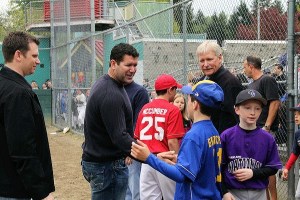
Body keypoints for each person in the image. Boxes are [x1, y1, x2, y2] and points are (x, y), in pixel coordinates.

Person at [131, 80, 224, 200]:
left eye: (189, 99)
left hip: (195, 195)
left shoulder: (194, 135)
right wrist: (179, 159)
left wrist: (149, 157)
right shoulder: (212, 130)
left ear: (195, 104)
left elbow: (181, 175)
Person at [0, 31, 55, 199]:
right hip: (13, 189)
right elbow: (22, 149)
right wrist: (41, 192)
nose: (38, 61)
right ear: (18, 55)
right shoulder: (18, 93)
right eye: (34, 55)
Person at [81, 43, 139, 199]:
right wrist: (151, 156)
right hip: (107, 167)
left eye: (135, 65)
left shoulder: (110, 84)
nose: (132, 70)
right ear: (113, 63)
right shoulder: (110, 93)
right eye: (128, 65)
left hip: (102, 164)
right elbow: (120, 137)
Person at [221, 89, 282, 200]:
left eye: (257, 108)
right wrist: (224, 192)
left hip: (259, 192)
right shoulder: (226, 136)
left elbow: (273, 168)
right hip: (233, 192)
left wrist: (253, 173)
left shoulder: (267, 138)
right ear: (237, 109)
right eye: (247, 108)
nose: (253, 113)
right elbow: (218, 168)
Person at [134, 74, 185, 200]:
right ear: (169, 90)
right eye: (174, 89)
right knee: (173, 197)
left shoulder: (145, 108)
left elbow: (137, 138)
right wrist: (177, 160)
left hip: (147, 160)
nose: (175, 92)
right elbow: (173, 141)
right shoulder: (173, 109)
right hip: (166, 160)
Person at [243, 56, 281, 200]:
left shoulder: (267, 80)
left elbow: (275, 103)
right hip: (254, 129)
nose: (244, 69)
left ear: (251, 66)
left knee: (268, 166)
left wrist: (267, 126)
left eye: (245, 66)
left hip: (265, 129)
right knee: (259, 166)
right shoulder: (251, 85)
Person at [195, 41, 243, 134]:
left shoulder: (230, 82)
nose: (205, 64)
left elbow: (233, 118)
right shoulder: (201, 81)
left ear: (220, 58)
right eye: (202, 60)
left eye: (209, 59)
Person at [125, 81, 149, 200]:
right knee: (125, 190)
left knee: (135, 189)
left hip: (132, 149)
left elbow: (139, 124)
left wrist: (131, 149)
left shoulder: (139, 92)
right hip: (118, 148)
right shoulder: (115, 88)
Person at [282, 103, 300, 200]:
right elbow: (295, 153)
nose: (296, 116)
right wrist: (286, 168)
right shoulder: (297, 134)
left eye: (299, 114)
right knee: (298, 196)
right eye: (295, 114)